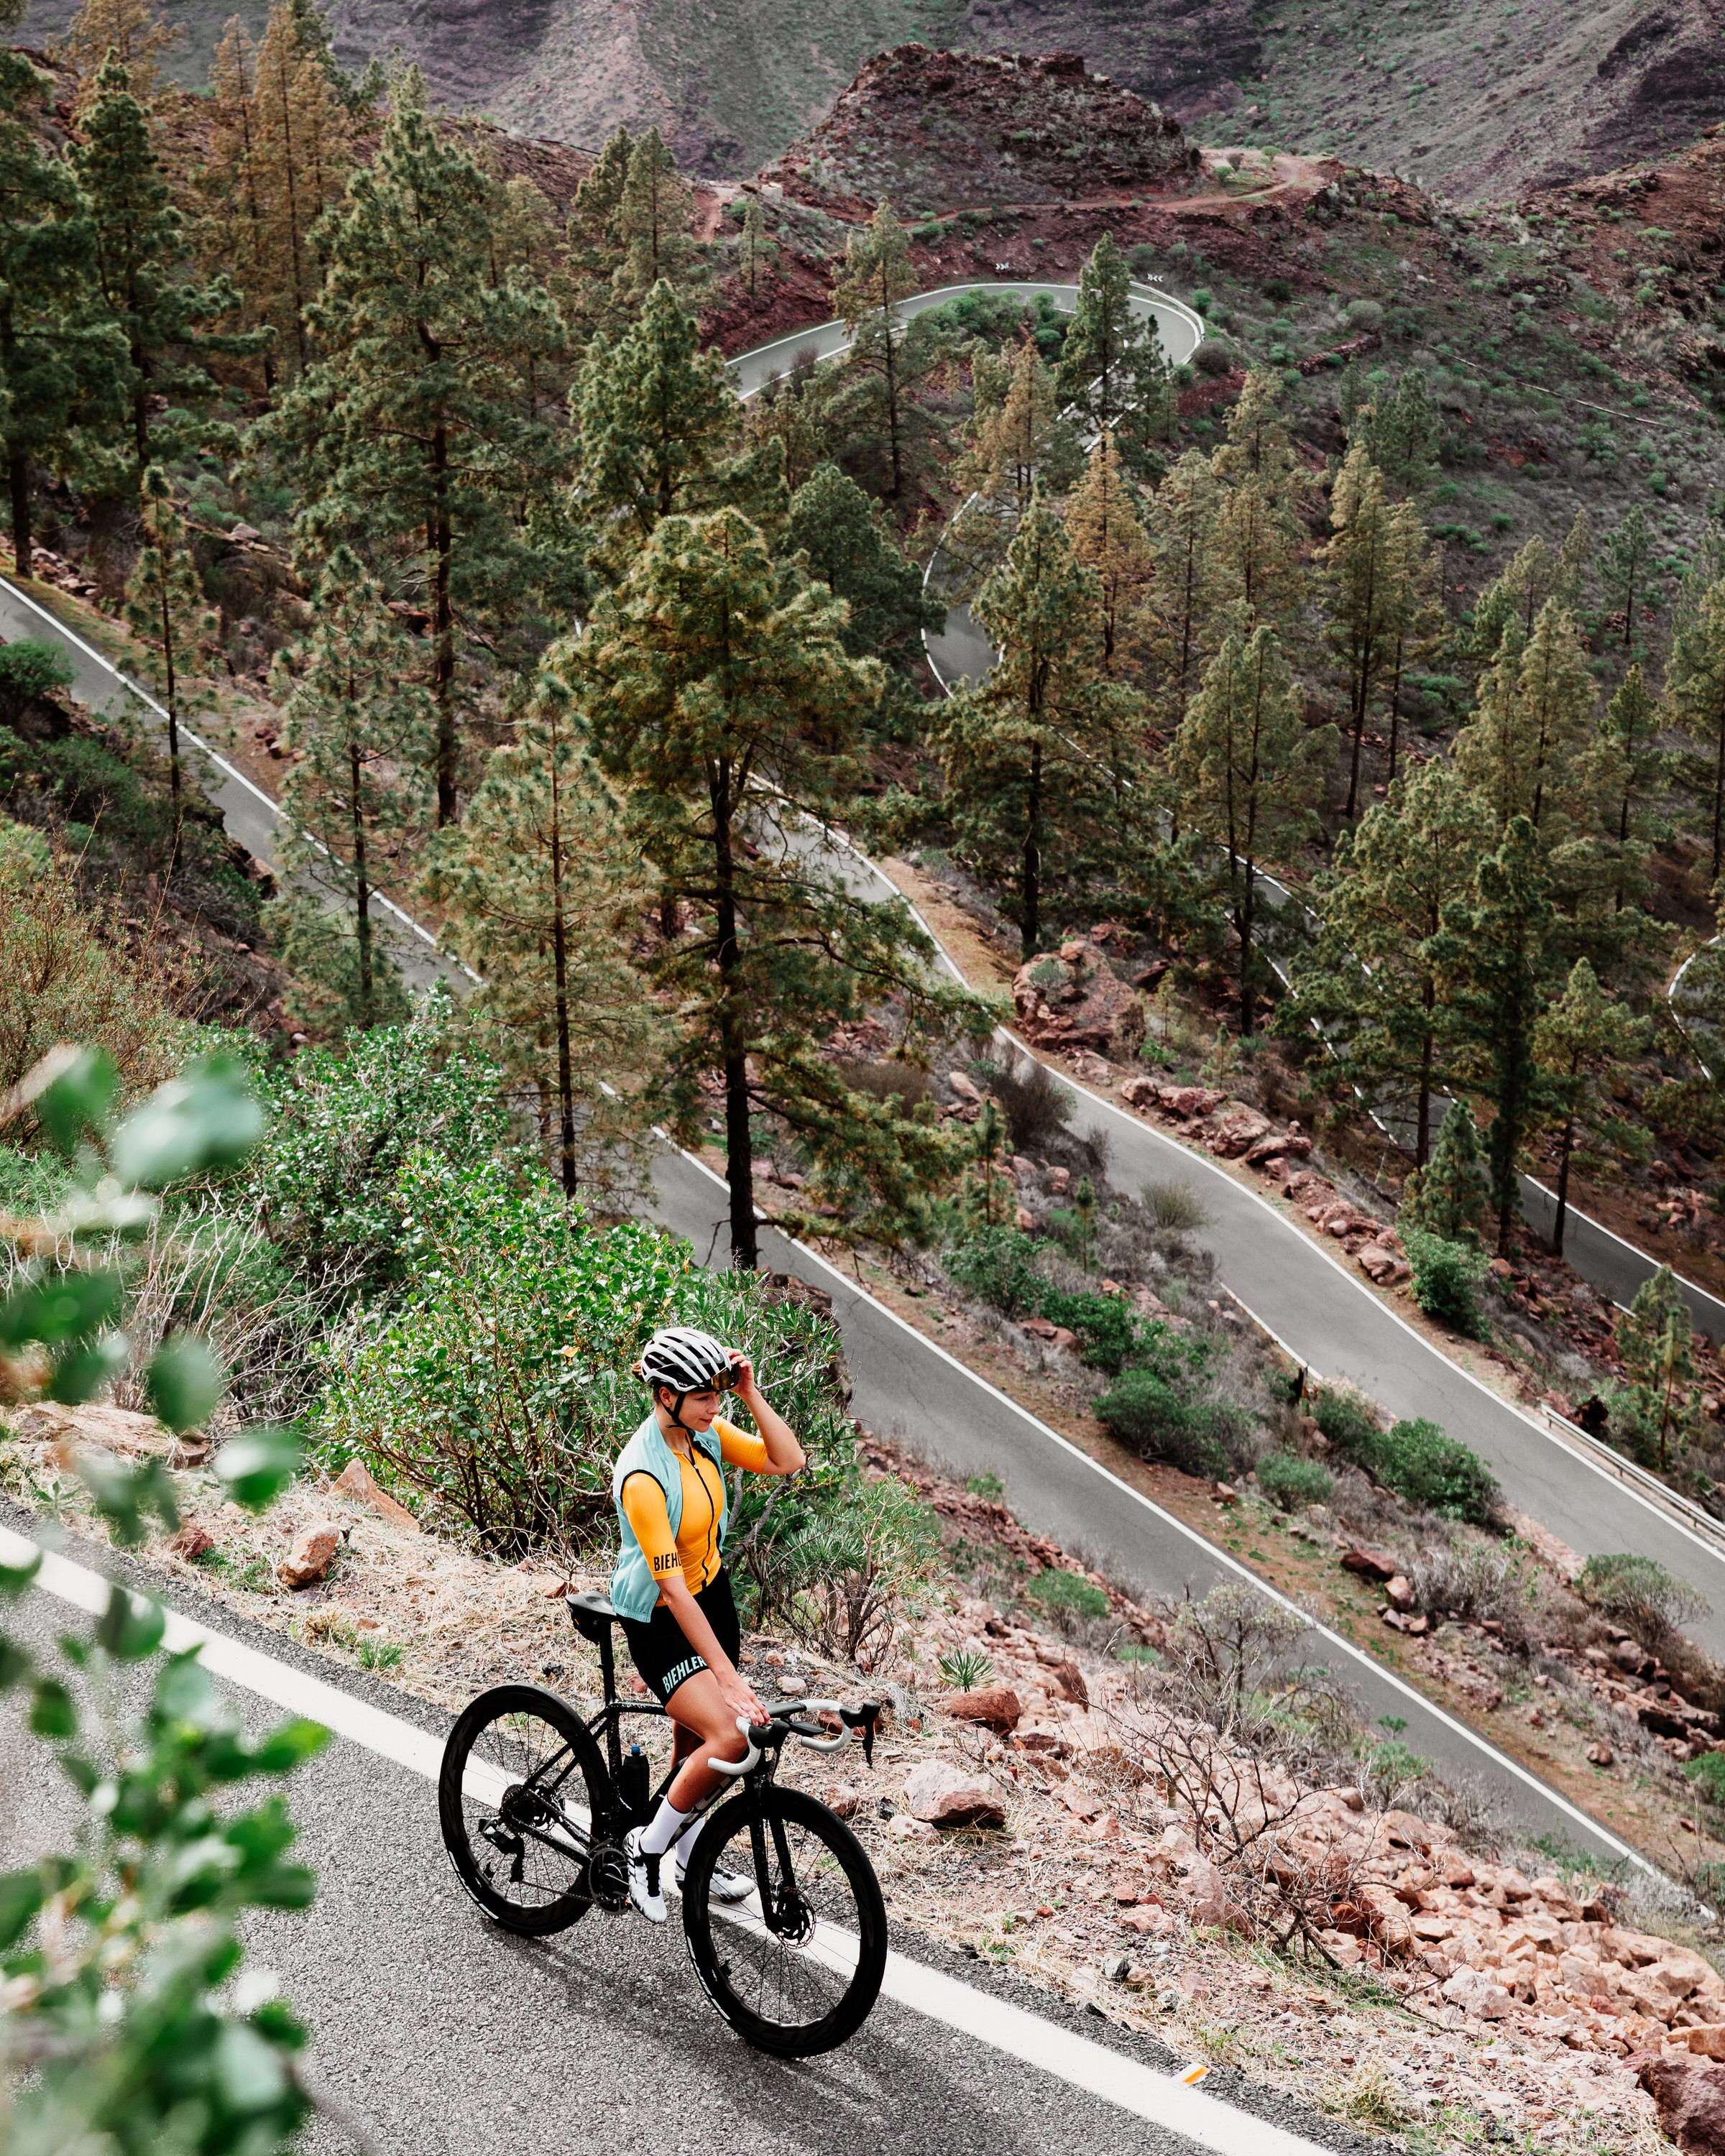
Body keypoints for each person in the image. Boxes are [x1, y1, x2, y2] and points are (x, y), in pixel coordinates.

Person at [610, 1324, 806, 1921]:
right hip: (661, 1617)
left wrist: (748, 1393)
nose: (713, 1407)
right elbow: (669, 1583)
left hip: (712, 1596)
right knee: (731, 1735)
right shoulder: (643, 1475)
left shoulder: (705, 1434)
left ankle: (690, 1853)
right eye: (704, 1397)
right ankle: (645, 1848)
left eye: (717, 1395)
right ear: (665, 1395)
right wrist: (726, 1676)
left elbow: (787, 1459)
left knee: (697, 1745)